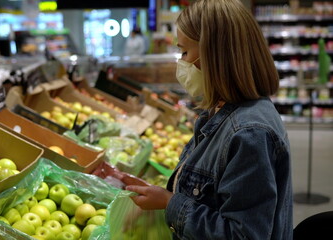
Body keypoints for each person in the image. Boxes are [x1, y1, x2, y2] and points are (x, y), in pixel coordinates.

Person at [125, 0, 293, 239]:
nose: (180, 62)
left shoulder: (249, 132)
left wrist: (170, 203)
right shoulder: (220, 111)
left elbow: (243, 234)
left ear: (215, 55)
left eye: (184, 52)